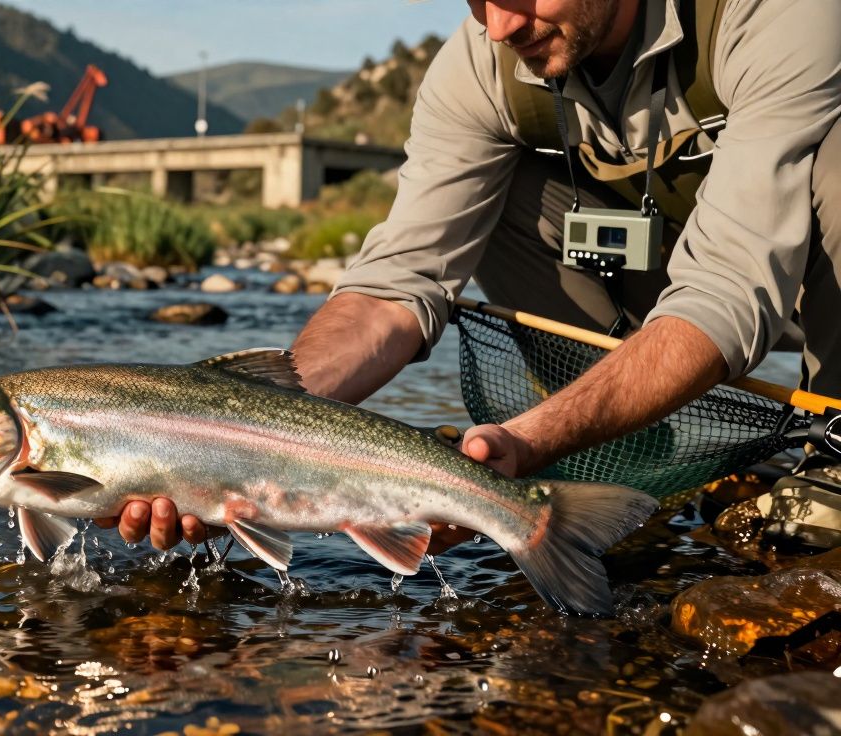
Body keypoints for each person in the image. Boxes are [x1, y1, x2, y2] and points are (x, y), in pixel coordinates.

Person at [98, 0, 841, 551]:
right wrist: (232, 428)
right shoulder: (484, 64)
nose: (499, 25)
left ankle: (834, 463)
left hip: (795, 276)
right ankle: (622, 461)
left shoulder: (778, 13)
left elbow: (729, 291)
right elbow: (396, 283)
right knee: (494, 188)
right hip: (652, 286)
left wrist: (530, 441)